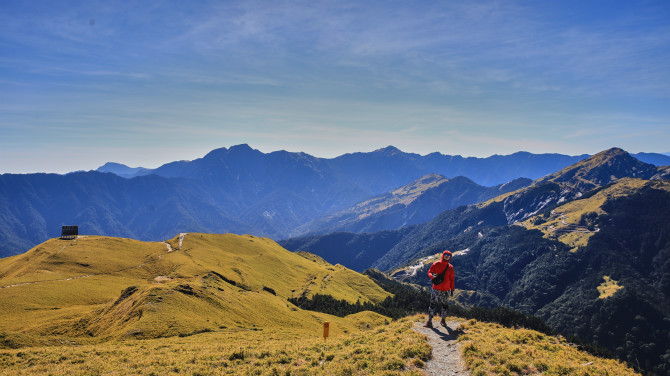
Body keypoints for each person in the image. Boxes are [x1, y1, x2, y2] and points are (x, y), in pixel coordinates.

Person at [423, 250, 455, 328]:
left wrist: (452, 289)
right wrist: (431, 276)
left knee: (444, 305)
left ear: (450, 258)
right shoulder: (436, 264)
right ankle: (430, 321)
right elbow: (429, 272)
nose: (447, 256)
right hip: (436, 288)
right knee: (432, 304)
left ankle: (443, 320)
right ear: (443, 255)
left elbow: (452, 279)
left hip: (446, 289)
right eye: (446, 254)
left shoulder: (450, 267)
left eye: (449, 255)